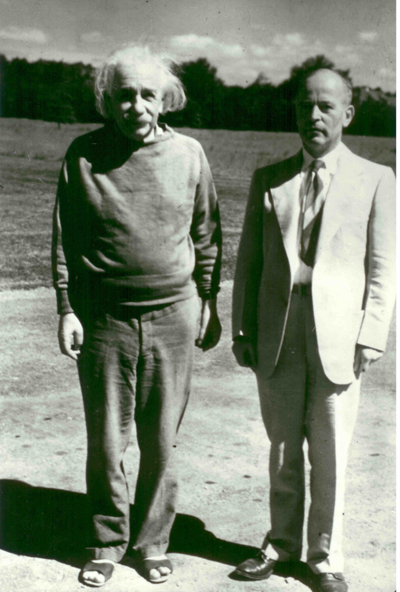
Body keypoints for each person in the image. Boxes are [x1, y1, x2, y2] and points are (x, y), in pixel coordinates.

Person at [52, 45, 222, 587]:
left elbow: (208, 235)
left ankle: (151, 541)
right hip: (104, 320)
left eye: (147, 94)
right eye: (123, 94)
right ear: (108, 98)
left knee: (161, 439)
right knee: (106, 439)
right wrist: (66, 308)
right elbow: (63, 239)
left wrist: (210, 302)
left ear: (165, 98)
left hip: (174, 314)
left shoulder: (191, 154)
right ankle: (105, 541)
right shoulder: (82, 155)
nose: (135, 104)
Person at [231, 67, 395, 592]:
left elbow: (383, 266)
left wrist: (372, 334)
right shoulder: (270, 179)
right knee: (282, 445)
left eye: (326, 106)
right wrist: (241, 329)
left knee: (329, 450)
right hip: (278, 331)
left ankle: (324, 558)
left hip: (340, 337)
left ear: (348, 114)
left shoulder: (377, 179)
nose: (314, 116)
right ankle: (280, 545)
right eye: (305, 106)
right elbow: (249, 262)